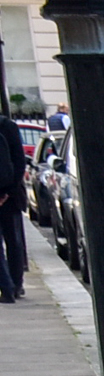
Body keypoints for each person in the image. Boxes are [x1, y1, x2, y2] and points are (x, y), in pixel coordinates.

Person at [0, 57, 28, 304]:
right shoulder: (8, 126)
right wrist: (8, 190)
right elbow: (20, 162)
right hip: (10, 194)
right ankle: (16, 283)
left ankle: (6, 286)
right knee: (14, 241)